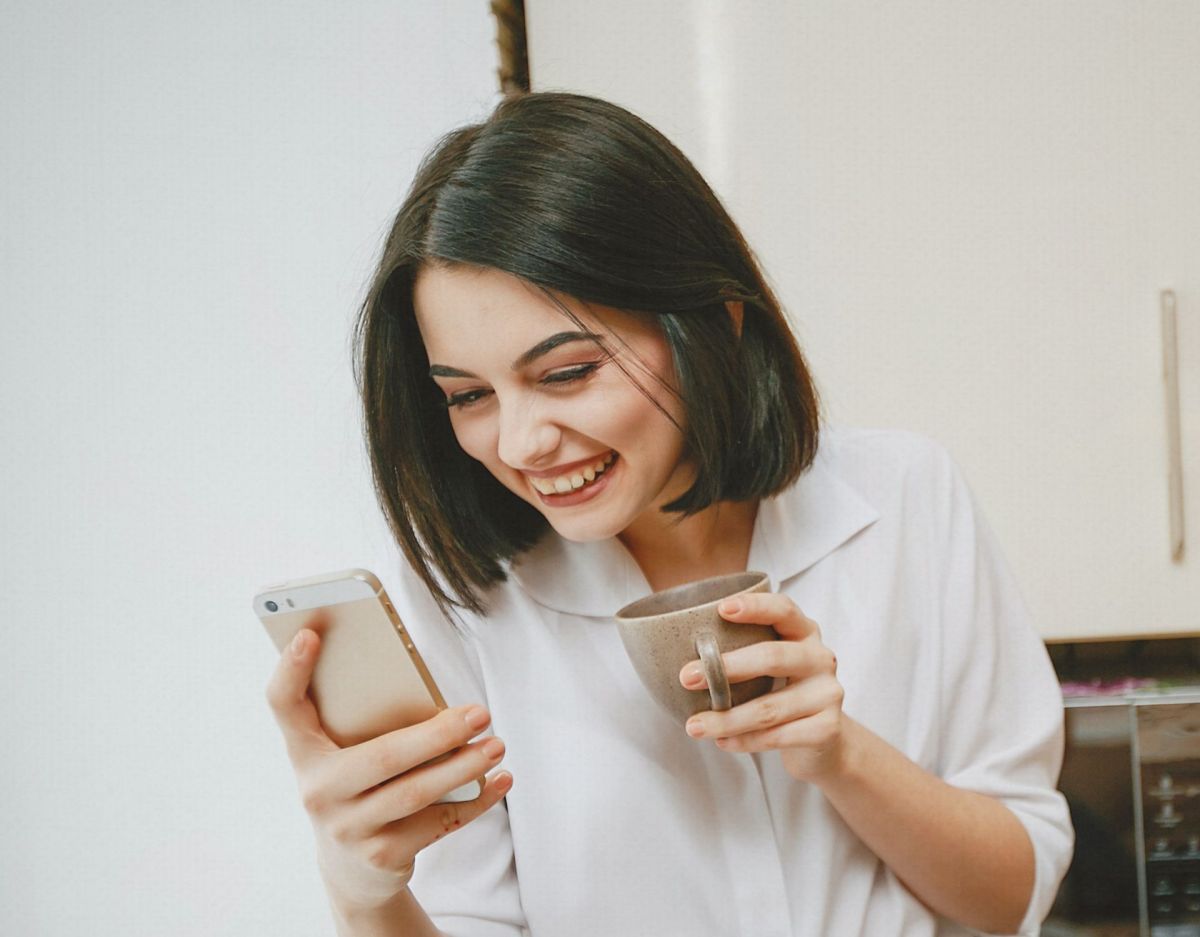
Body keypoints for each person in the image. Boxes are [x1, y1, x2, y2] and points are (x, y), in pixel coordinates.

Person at [265, 92, 1073, 937]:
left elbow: (1012, 896)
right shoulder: (465, 596)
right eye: (468, 395)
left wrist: (839, 754)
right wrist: (365, 896)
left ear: (713, 323)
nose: (522, 441)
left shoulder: (905, 498)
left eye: (568, 372)